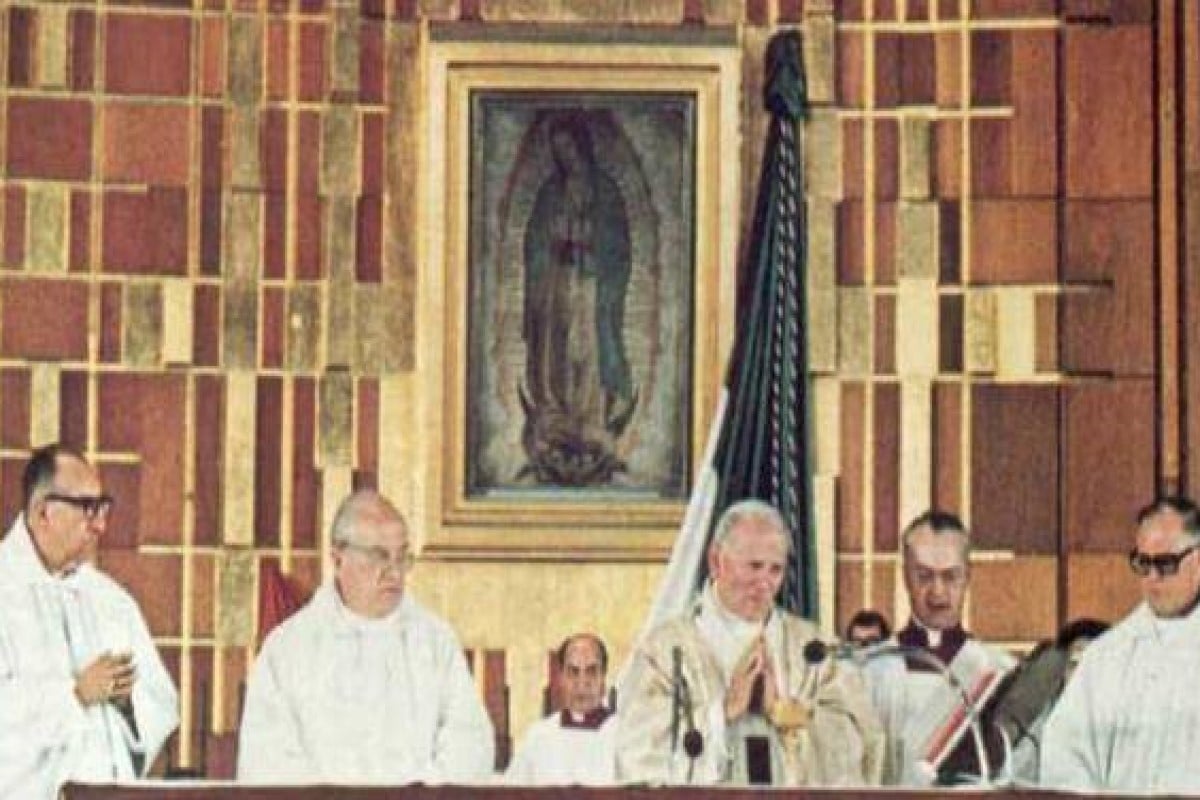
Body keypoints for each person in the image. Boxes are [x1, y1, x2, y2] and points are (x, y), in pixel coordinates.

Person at [616, 499, 885, 786]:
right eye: (754, 567)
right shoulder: (665, 652)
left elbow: (860, 746)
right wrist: (724, 711)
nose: (765, 583)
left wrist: (783, 714)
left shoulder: (814, 650)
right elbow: (638, 756)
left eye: (775, 570)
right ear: (716, 561)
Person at [237, 490, 494, 784]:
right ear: (337, 558)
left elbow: (470, 741)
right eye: (379, 556)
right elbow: (269, 761)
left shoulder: (435, 642)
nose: (394, 572)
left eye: (402, 557)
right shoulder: (287, 650)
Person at [0, 443, 179, 799]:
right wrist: (75, 695)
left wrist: (128, 705)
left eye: (103, 507)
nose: (100, 524)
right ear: (42, 513)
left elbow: (162, 704)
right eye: (87, 508)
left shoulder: (111, 600)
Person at [1040, 496, 1200, 793]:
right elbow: (1065, 759)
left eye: (1166, 564)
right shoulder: (1106, 657)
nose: (1152, 578)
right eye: (1143, 563)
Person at [519, 113, 636, 487]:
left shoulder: (606, 191)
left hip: (591, 287)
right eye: (558, 150)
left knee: (588, 348)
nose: (564, 155)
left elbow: (618, 246)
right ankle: (557, 416)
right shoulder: (550, 193)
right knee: (557, 348)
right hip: (558, 285)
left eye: (569, 147)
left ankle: (589, 419)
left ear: (581, 146)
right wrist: (553, 247)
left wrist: (591, 248)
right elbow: (534, 243)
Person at [864, 510, 1015, 786]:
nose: (938, 592)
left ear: (968, 576)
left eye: (950, 576)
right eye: (924, 576)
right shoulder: (872, 670)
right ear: (905, 576)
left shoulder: (997, 669)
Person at [505, 633, 616, 785]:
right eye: (573, 672)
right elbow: (510, 791)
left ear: (603, 678)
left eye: (591, 671)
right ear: (561, 678)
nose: (582, 682)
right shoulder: (539, 736)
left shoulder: (623, 737)